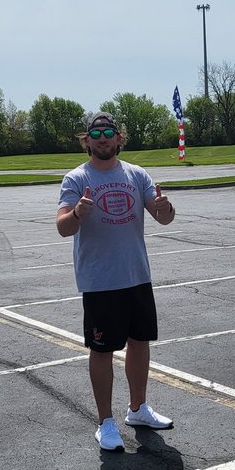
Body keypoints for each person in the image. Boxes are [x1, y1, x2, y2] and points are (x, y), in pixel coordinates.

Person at [57, 111, 176, 451]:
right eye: (97, 134)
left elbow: (163, 218)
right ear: (87, 141)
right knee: (103, 350)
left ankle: (138, 409)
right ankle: (105, 422)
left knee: (140, 342)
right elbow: (63, 227)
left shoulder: (137, 175)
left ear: (119, 138)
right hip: (100, 281)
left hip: (136, 275)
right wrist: (77, 213)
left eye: (109, 132)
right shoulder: (76, 179)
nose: (103, 138)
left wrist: (167, 208)